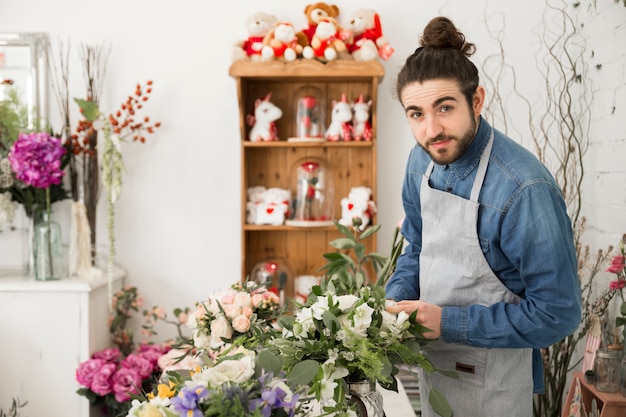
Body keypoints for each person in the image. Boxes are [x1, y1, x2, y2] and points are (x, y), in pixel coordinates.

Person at [384, 16, 582, 417]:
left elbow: (559, 314)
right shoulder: (419, 162)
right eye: (416, 114)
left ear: (476, 101)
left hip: (494, 386)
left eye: (445, 107)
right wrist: (396, 297)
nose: (431, 129)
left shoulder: (523, 190)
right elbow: (418, 244)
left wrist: (449, 323)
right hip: (432, 370)